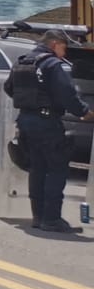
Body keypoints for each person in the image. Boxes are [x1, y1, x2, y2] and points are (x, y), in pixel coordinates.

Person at [5, 29, 94, 232]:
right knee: (56, 169)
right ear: (55, 44)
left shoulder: (22, 62)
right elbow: (66, 92)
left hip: (26, 121)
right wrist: (83, 112)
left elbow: (9, 88)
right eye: (64, 47)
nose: (65, 53)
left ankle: (38, 217)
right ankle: (52, 219)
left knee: (37, 169)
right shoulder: (51, 64)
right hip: (47, 122)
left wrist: (30, 102)